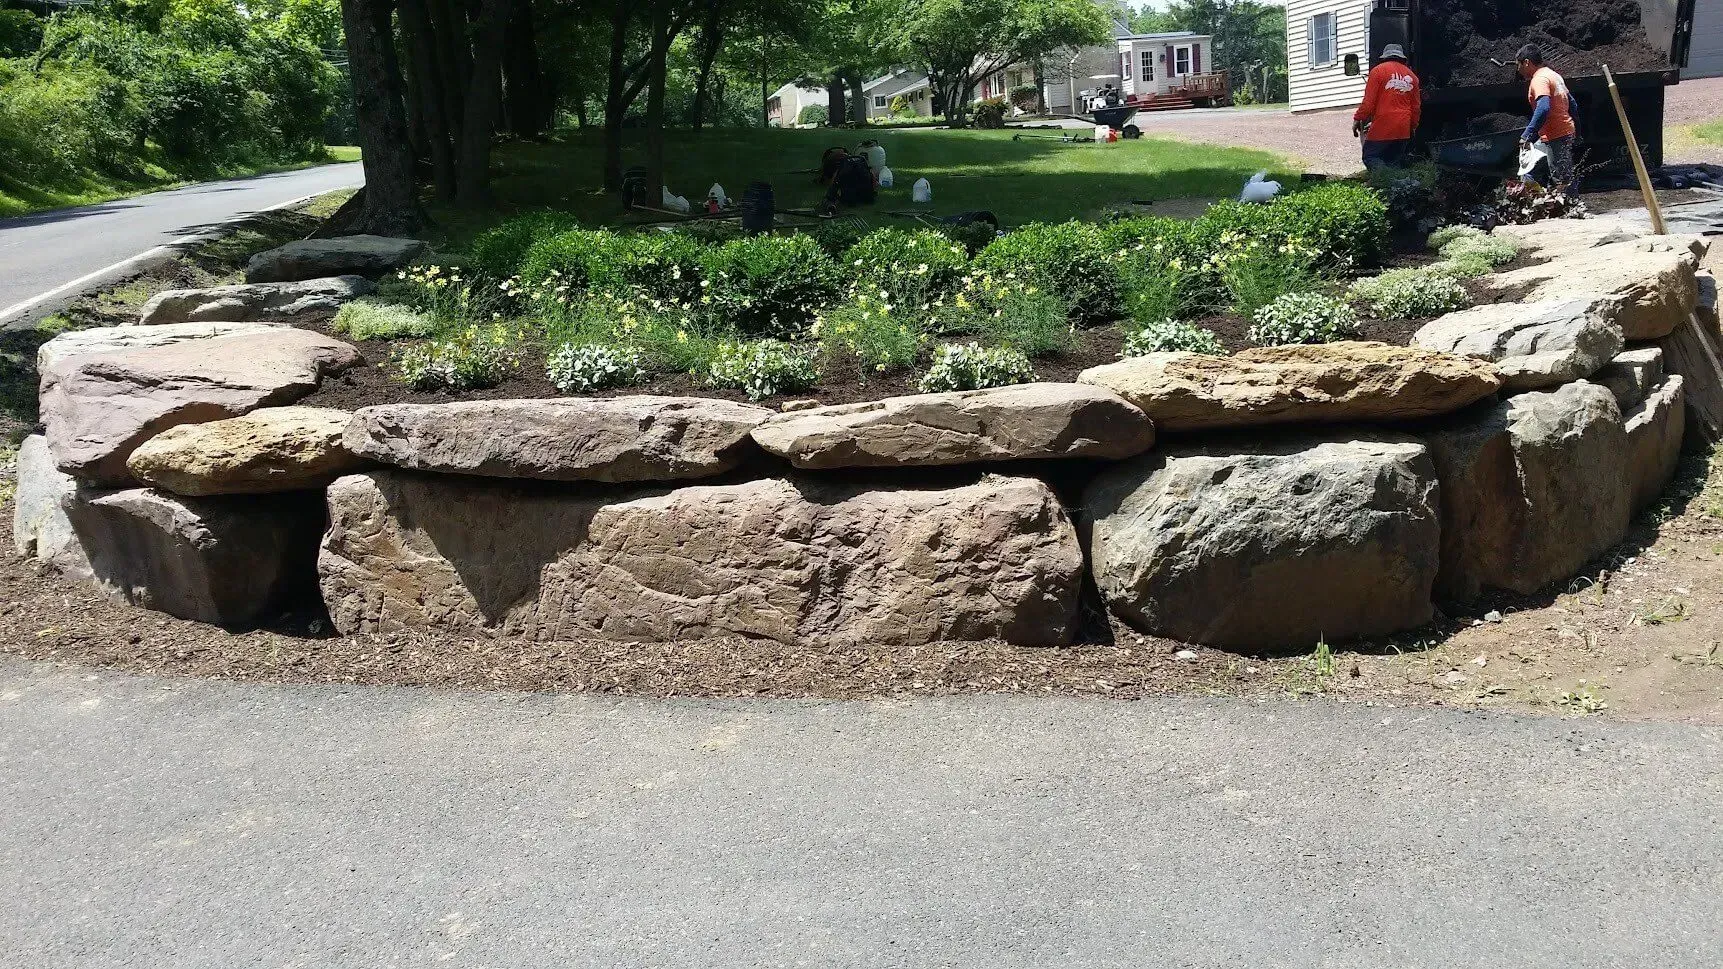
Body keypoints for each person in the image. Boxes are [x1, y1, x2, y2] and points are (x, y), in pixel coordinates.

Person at [1516, 44, 1578, 191]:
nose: (1518, 69)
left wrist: (1527, 135)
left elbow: (1543, 108)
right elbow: (1573, 104)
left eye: (1518, 65)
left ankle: (1570, 208)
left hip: (1556, 134)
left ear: (1526, 62)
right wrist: (1578, 130)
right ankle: (1539, 201)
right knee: (1529, 171)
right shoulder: (1554, 75)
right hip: (1562, 132)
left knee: (1562, 179)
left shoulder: (1539, 79)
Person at [1352, 44, 1421, 169]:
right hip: (1403, 127)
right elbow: (1416, 108)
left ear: (1384, 57)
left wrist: (1358, 118)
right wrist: (1412, 127)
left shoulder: (1378, 71)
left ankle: (1384, 178)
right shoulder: (1413, 77)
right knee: (1394, 161)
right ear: (1402, 58)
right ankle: (1396, 186)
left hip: (1383, 125)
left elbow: (1368, 102)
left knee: (1371, 156)